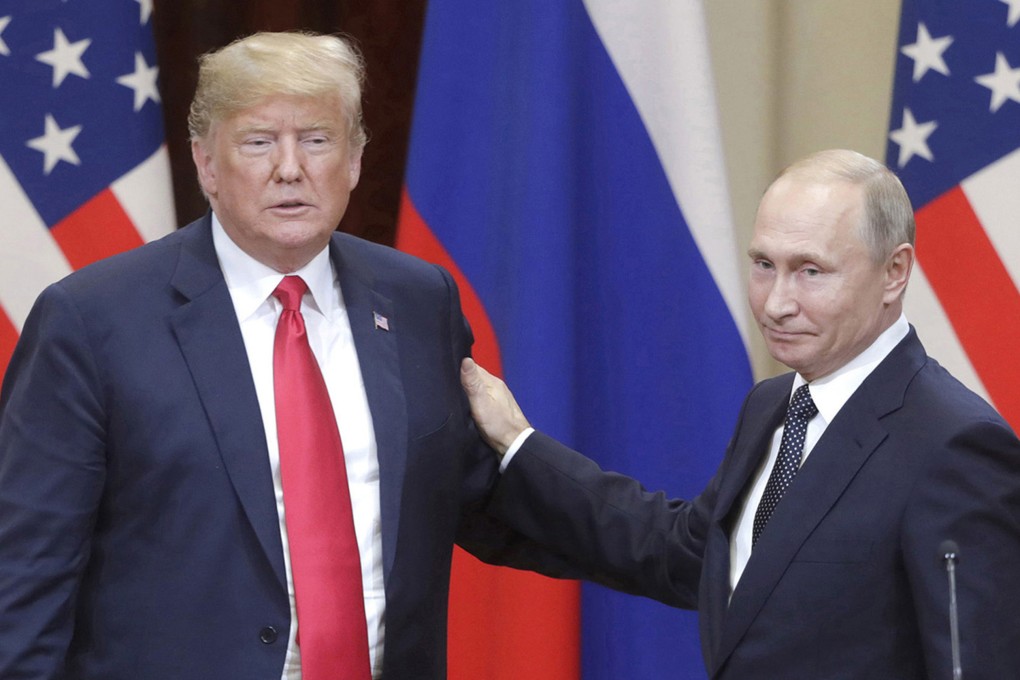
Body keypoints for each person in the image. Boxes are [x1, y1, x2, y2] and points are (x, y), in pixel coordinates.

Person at [0, 31, 514, 679]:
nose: (290, 167)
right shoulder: (91, 320)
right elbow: (23, 584)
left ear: (354, 161)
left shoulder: (418, 300)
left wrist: (680, 545)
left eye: (318, 140)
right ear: (206, 163)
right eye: (259, 141)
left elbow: (491, 499)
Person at [460, 149, 1020, 678]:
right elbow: (684, 555)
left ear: (895, 272)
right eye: (762, 264)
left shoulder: (955, 444)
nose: (776, 302)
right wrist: (515, 445)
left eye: (811, 271)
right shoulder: (773, 405)